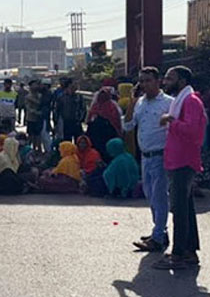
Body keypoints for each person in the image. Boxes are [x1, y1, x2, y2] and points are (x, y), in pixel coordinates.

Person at [154, 66, 207, 270]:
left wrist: (171, 121)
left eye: (170, 78)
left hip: (183, 161)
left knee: (179, 210)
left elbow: (193, 131)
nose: (165, 82)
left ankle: (178, 256)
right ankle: (189, 252)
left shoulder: (191, 101)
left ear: (182, 81)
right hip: (178, 160)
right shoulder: (181, 100)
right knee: (185, 208)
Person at [125, 67, 174, 252]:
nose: (144, 84)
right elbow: (128, 125)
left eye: (148, 80)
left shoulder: (169, 103)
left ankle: (158, 236)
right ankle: (159, 231)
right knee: (150, 195)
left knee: (159, 197)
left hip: (161, 155)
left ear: (157, 81)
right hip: (145, 156)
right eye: (142, 81)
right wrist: (132, 101)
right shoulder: (140, 103)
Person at [86, 87, 123, 162]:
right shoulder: (95, 105)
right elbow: (89, 118)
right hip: (95, 133)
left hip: (107, 133)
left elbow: (116, 120)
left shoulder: (112, 106)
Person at [25, 80, 44, 152]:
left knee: (38, 135)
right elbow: (28, 108)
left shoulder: (40, 95)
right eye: (34, 85)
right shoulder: (28, 96)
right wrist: (36, 112)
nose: (35, 86)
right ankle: (29, 149)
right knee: (31, 135)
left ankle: (38, 149)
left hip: (38, 119)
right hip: (30, 118)